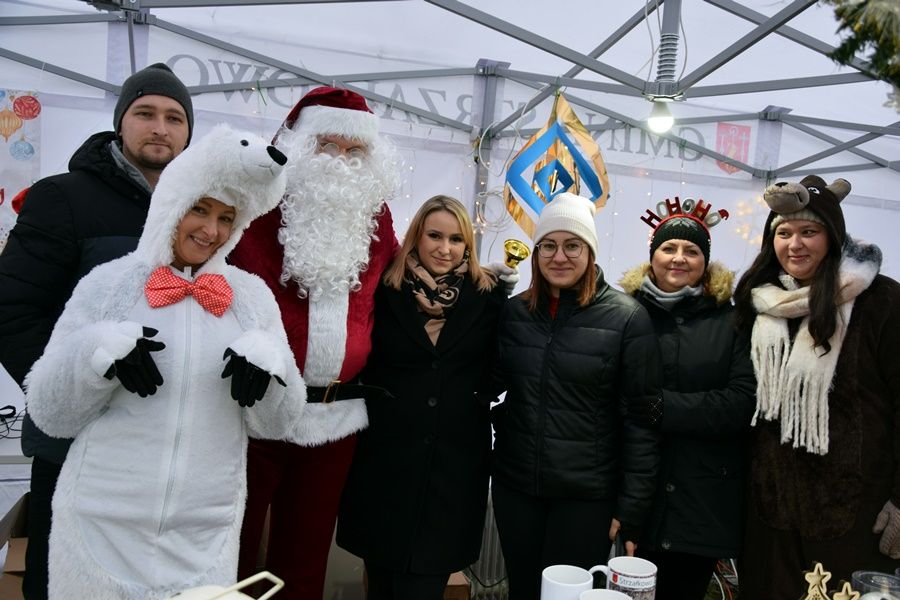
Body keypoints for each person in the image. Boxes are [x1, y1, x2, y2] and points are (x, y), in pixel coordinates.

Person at [23, 124, 306, 600]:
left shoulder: (251, 299)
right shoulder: (109, 285)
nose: (211, 230)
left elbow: (278, 423)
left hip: (203, 533)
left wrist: (271, 371)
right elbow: (51, 413)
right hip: (101, 524)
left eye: (226, 217)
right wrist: (94, 354)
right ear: (172, 204)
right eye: (200, 208)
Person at [0, 62, 193, 600]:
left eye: (175, 117)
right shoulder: (62, 197)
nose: (160, 127)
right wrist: (78, 387)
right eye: (145, 113)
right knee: (64, 577)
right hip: (76, 438)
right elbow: (13, 310)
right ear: (120, 122)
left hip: (158, 443)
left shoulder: (200, 213)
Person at [228, 86, 402, 600]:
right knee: (229, 547)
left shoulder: (378, 218)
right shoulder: (256, 208)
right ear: (300, 146)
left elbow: (396, 286)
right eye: (327, 147)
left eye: (354, 152)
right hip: (253, 411)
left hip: (334, 418)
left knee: (304, 559)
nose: (340, 163)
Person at [733, 175, 900, 599]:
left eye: (810, 232)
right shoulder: (760, 302)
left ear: (834, 236)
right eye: (783, 233)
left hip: (856, 514)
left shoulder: (881, 301)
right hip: (773, 513)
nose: (795, 245)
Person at [490, 192, 661, 600]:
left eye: (572, 246)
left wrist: (632, 506)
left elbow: (642, 418)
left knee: (570, 595)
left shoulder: (626, 318)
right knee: (524, 590)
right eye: (548, 245)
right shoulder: (515, 314)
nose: (559, 257)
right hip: (517, 487)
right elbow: (486, 382)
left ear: (590, 252)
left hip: (586, 497)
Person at [335, 195, 506, 600]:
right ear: (416, 236)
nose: (444, 249)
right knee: (381, 583)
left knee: (424, 585)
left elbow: (498, 371)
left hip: (451, 470)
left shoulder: (488, 297)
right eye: (434, 235)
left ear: (469, 245)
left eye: (456, 239)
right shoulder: (383, 289)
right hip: (385, 465)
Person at [618, 203, 755, 600]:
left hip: (701, 504)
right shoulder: (625, 314)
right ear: (653, 256)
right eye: (669, 248)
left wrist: (664, 408)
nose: (679, 258)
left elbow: (741, 402)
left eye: (691, 251)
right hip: (633, 497)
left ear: (705, 262)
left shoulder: (732, 322)